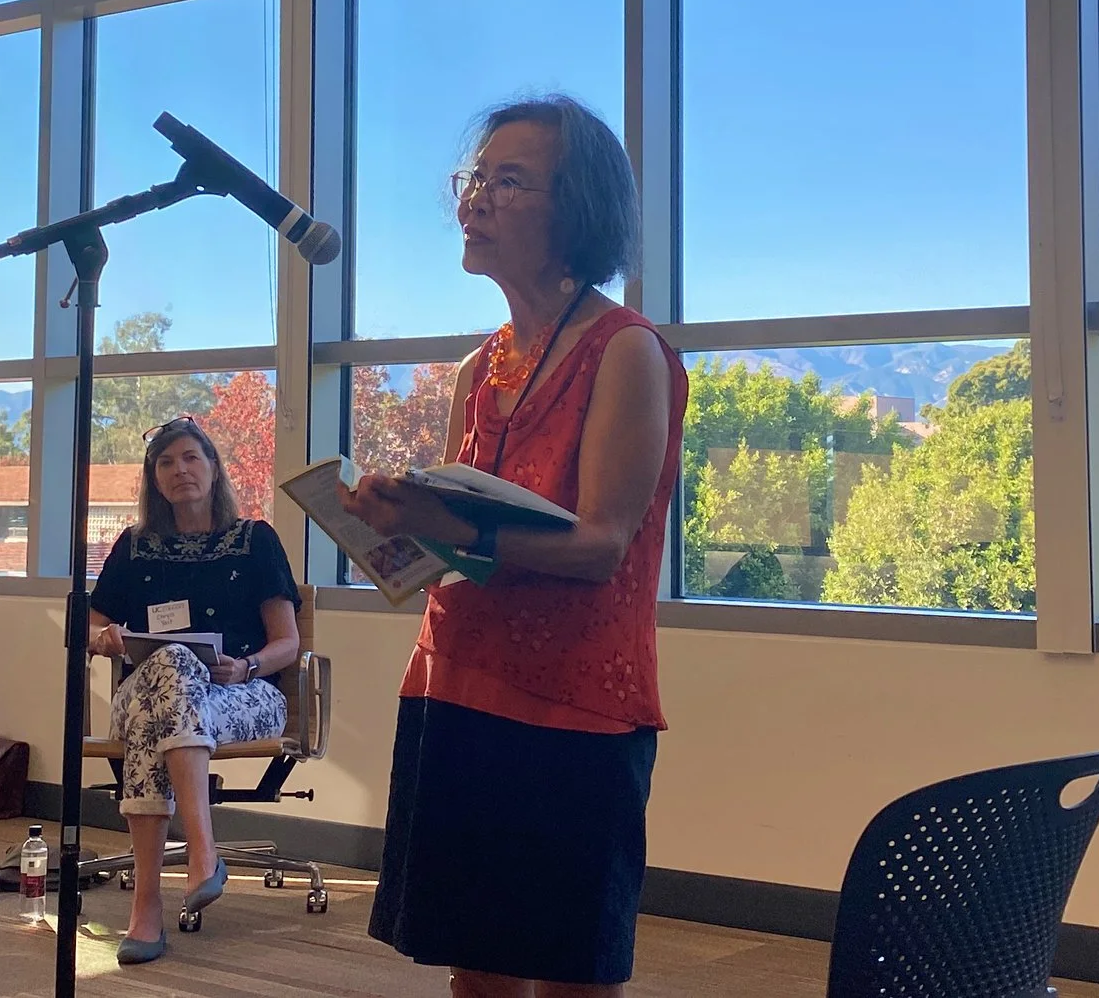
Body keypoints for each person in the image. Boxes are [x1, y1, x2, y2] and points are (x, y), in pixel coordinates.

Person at [343, 94, 687, 998]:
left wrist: (451, 525)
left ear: (576, 207)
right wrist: (392, 531)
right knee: (476, 971)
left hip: (573, 706)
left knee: (573, 973)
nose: (476, 199)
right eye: (475, 178)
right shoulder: (477, 367)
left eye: (509, 180)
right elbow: (462, 557)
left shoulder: (627, 352)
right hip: (454, 683)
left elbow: (602, 546)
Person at [85, 415, 301, 964]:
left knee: (157, 717)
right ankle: (203, 852)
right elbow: (87, 629)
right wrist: (103, 637)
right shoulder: (134, 547)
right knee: (172, 666)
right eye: (166, 462)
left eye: (190, 458)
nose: (180, 469)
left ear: (213, 468)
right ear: (153, 479)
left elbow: (288, 644)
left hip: (242, 696)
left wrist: (246, 666)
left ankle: (147, 910)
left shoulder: (254, 540)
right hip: (148, 692)